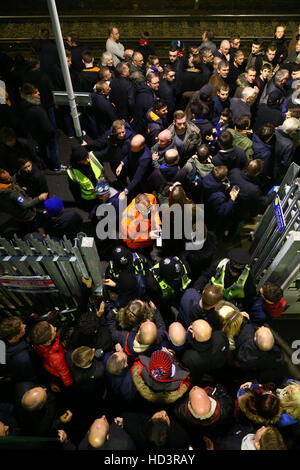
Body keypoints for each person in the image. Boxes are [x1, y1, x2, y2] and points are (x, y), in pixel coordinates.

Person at [194, 247, 257, 313]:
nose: (234, 274)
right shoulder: (220, 264)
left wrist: (240, 311)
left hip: (229, 302)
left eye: (237, 272)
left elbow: (250, 297)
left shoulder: (248, 277)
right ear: (229, 261)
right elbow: (205, 276)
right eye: (232, 270)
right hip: (213, 293)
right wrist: (196, 291)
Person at [19, 83, 64, 172]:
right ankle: (56, 167)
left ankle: (43, 163)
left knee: (42, 149)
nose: (39, 93)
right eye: (36, 92)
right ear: (30, 95)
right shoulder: (37, 109)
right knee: (53, 150)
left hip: (35, 134)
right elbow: (47, 127)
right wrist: (53, 132)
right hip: (46, 134)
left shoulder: (22, 105)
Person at [0, 168, 48, 238]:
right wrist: (39, 198)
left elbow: (12, 179)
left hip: (16, 213)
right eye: (6, 179)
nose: (9, 179)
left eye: (9, 176)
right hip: (26, 216)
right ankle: (37, 237)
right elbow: (26, 204)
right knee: (32, 228)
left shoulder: (3, 188)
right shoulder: (12, 193)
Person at [180, 319, 229, 384]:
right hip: (221, 368)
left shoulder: (189, 357)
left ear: (193, 335)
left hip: (203, 375)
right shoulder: (220, 336)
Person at [29, 321, 73, 390]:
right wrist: (70, 385)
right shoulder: (56, 357)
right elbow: (64, 375)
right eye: (53, 331)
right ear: (48, 341)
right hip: (58, 369)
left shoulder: (38, 342)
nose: (55, 328)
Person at [0, 316, 40, 383]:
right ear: (16, 335)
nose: (25, 326)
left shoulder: (5, 337)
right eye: (22, 327)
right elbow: (29, 376)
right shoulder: (22, 358)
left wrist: (32, 318)